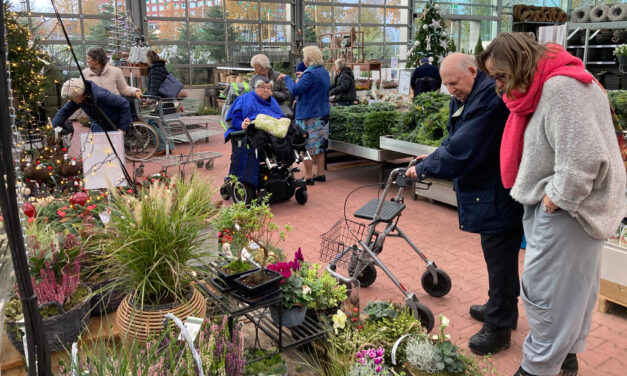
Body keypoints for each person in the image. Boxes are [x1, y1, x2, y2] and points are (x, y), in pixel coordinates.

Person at [477, 32, 626, 376]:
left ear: (518, 62)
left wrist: (553, 202)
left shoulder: (561, 88)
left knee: (543, 294)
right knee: (571, 294)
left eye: (501, 75)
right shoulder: (548, 84)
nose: (499, 86)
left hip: (571, 210)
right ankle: (565, 362)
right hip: (569, 208)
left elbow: (582, 160)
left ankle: (536, 368)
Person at [406, 53, 524, 356]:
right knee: (498, 256)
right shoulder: (468, 95)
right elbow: (453, 138)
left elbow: (464, 147)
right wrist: (430, 157)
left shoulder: (488, 100)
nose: (449, 89)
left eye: (453, 82)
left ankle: (498, 328)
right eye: (446, 84)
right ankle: (502, 308)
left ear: (473, 71)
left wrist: (423, 170)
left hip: (498, 190)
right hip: (488, 189)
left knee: (499, 256)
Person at [277, 46, 330, 185]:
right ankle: (320, 173)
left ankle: (308, 176)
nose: (303, 59)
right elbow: (314, 86)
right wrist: (303, 77)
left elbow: (295, 90)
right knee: (320, 145)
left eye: (304, 56)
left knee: (305, 146)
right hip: (322, 114)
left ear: (309, 59)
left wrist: (287, 78)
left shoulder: (310, 74)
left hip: (308, 115)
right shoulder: (323, 72)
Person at [52, 78, 131, 134]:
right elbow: (65, 111)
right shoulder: (78, 98)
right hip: (98, 122)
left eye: (72, 98)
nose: (70, 101)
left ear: (80, 94)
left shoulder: (101, 95)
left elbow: (124, 104)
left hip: (114, 121)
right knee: (99, 145)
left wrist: (123, 128)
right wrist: (53, 127)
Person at [224, 76, 284, 140]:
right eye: (263, 87)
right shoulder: (244, 99)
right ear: (255, 88)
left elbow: (280, 116)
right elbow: (235, 120)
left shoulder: (273, 101)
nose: (266, 90)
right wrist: (242, 124)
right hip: (254, 135)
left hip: (274, 132)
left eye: (269, 88)